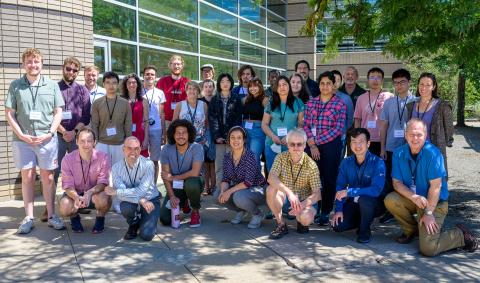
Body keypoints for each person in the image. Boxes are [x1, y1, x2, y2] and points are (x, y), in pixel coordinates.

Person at [384, 119, 478, 256]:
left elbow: (436, 187)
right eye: (411, 134)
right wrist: (413, 197)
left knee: (429, 249)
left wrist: (428, 213)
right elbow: (396, 183)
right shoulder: (398, 153)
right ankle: (412, 231)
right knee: (390, 199)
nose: (415, 138)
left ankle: (460, 235)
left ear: (425, 135)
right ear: (405, 135)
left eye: (419, 135)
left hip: (434, 203)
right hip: (415, 199)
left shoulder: (433, 154)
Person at [6, 48, 65, 233]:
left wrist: (50, 132)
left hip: (46, 139)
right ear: (24, 64)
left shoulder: (51, 85)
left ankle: (52, 215)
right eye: (29, 62)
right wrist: (22, 135)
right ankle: (29, 217)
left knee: (48, 178)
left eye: (36, 61)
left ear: (42, 63)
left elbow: (58, 111)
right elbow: (9, 113)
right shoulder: (15, 86)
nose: (33, 65)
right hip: (23, 140)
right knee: (28, 177)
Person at [304, 71, 346, 225]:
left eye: (329, 83)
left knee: (329, 178)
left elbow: (338, 129)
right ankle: (314, 208)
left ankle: (326, 210)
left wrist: (316, 142)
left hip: (331, 145)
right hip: (312, 145)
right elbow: (306, 124)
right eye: (322, 83)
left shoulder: (339, 104)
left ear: (333, 85)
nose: (325, 86)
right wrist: (312, 144)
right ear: (319, 85)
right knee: (313, 178)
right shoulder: (311, 103)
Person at [331, 128, 386, 243]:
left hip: (374, 204)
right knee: (338, 226)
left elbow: (376, 190)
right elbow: (340, 187)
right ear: (350, 144)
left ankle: (364, 230)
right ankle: (362, 220)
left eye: (361, 141)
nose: (357, 145)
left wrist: (350, 192)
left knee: (364, 200)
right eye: (354, 142)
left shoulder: (378, 162)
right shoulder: (346, 162)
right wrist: (339, 210)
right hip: (354, 203)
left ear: (368, 144)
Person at [266, 129, 321, 239]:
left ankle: (301, 221)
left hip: (304, 202)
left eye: (299, 144)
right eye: (292, 144)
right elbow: (271, 178)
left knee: (305, 219)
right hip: (287, 199)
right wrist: (289, 193)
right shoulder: (280, 157)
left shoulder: (311, 165)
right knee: (270, 189)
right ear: (287, 144)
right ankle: (281, 224)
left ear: (305, 145)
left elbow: (317, 194)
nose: (296, 147)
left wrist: (301, 205)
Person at [379, 69, 416, 223]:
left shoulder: (416, 101)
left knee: (409, 179)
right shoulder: (388, 102)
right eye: (396, 82)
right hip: (391, 147)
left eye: (402, 82)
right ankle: (390, 210)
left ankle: (409, 208)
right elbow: (384, 126)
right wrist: (382, 148)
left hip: (410, 148)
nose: (399, 85)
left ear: (409, 82)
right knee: (391, 178)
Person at [105, 136, 160, 241]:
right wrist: (140, 200)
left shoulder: (148, 164)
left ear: (140, 149)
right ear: (123, 149)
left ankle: (148, 220)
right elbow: (122, 192)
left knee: (147, 235)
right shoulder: (116, 168)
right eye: (129, 148)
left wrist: (116, 192)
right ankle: (134, 223)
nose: (133, 152)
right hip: (135, 201)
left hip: (150, 200)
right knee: (125, 206)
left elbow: (141, 191)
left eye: (136, 148)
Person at [59, 128, 111, 233]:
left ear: (94, 143)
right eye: (82, 141)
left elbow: (103, 183)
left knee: (104, 198)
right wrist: (76, 197)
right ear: (77, 141)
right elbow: (68, 186)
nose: (86, 144)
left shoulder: (103, 157)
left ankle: (100, 218)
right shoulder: (67, 159)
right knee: (64, 206)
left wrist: (90, 193)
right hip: (75, 194)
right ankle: (74, 217)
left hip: (94, 193)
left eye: (89, 141)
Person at [215, 126, 267, 228]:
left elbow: (248, 182)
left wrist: (228, 192)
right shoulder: (227, 156)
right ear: (229, 140)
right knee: (217, 195)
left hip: (258, 190)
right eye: (232, 137)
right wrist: (222, 192)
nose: (235, 140)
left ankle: (258, 214)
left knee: (238, 196)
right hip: (240, 190)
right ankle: (241, 210)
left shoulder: (249, 156)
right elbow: (226, 179)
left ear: (244, 140)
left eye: (239, 138)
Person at [159, 120, 205, 227]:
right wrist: (172, 196)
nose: (181, 136)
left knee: (191, 183)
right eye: (178, 133)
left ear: (189, 134)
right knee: (165, 219)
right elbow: (166, 176)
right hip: (176, 187)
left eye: (184, 132)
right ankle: (183, 202)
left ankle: (195, 211)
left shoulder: (197, 148)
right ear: (173, 135)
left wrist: (173, 177)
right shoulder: (166, 149)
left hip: (193, 183)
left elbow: (195, 172)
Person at [406, 73, 453, 174]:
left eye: (428, 85)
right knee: (415, 183)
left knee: (435, 181)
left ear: (434, 87)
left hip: (433, 151)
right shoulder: (410, 106)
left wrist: (447, 142)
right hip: (414, 150)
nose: (424, 88)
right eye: (421, 84)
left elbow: (449, 129)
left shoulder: (442, 106)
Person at [55, 57, 91, 188]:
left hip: (77, 138)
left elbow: (86, 116)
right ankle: (50, 206)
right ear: (63, 68)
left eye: (75, 70)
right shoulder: (54, 88)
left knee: (78, 170)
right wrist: (64, 132)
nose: (71, 72)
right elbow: (49, 115)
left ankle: (78, 201)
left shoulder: (83, 90)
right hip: (58, 137)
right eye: (68, 69)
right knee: (54, 171)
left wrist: (73, 132)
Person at [262, 75, 304, 172]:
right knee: (273, 175)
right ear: (276, 88)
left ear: (289, 86)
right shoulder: (270, 103)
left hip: (292, 145)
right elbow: (264, 124)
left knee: (291, 175)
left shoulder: (298, 102)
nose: (282, 87)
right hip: (272, 143)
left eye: (284, 84)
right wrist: (273, 136)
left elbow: (301, 125)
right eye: (279, 85)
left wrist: (290, 136)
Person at [209, 73, 243, 190]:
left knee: (233, 165)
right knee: (219, 166)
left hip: (232, 139)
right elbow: (212, 119)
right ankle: (220, 190)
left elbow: (238, 119)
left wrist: (232, 137)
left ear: (231, 83)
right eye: (222, 81)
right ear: (219, 84)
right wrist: (217, 136)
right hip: (219, 139)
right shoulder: (214, 99)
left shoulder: (236, 98)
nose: (225, 83)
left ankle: (232, 190)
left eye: (227, 81)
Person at [90, 71, 132, 166]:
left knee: (119, 172)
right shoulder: (97, 103)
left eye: (114, 83)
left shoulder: (125, 103)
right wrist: (95, 141)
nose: (111, 86)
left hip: (120, 143)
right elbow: (95, 123)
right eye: (108, 82)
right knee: (102, 172)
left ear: (118, 84)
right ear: (104, 84)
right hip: (101, 143)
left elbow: (128, 124)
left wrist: (128, 141)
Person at [354, 67, 394, 156]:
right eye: (372, 77)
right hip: (365, 140)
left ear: (382, 80)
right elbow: (357, 120)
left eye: (378, 77)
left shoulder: (389, 97)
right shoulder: (361, 98)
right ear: (367, 80)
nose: (375, 80)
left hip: (383, 140)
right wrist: (357, 138)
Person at [142, 65, 166, 185]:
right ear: (143, 76)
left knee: (155, 160)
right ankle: (142, 186)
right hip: (142, 129)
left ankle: (154, 186)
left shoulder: (160, 93)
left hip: (156, 129)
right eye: (147, 74)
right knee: (141, 159)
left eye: (152, 74)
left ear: (155, 77)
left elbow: (162, 114)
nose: (149, 76)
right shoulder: (138, 91)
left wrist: (164, 133)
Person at [156, 55, 190, 131]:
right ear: (170, 65)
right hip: (167, 120)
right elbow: (157, 102)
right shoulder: (162, 81)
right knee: (168, 142)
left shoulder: (187, 82)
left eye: (178, 64)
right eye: (174, 64)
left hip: (183, 119)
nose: (176, 66)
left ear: (182, 66)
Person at [339, 66, 366, 156]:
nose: (350, 76)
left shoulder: (363, 93)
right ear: (343, 76)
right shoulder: (337, 92)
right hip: (340, 131)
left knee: (355, 156)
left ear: (357, 77)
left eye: (352, 74)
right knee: (339, 157)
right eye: (348, 74)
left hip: (357, 130)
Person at [242, 77, 269, 168]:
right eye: (250, 86)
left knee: (254, 157)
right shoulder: (245, 99)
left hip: (258, 130)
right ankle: (250, 180)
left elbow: (268, 117)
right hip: (245, 130)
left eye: (255, 86)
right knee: (245, 158)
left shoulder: (265, 99)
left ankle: (256, 181)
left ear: (260, 87)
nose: (252, 88)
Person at [121, 73, 149, 157]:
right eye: (128, 83)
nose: (131, 85)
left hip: (140, 133)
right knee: (127, 158)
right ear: (125, 85)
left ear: (137, 84)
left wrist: (146, 139)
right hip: (125, 134)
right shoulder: (121, 100)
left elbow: (146, 121)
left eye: (134, 82)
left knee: (141, 159)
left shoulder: (144, 101)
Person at [331, 69, 354, 157]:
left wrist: (344, 129)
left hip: (340, 136)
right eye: (333, 80)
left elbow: (350, 118)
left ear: (341, 82)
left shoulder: (346, 98)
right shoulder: (321, 97)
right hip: (323, 136)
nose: (335, 83)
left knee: (339, 160)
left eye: (338, 80)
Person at [199, 79, 216, 195]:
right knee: (205, 162)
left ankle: (214, 186)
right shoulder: (200, 101)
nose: (208, 89)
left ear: (213, 88)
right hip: (202, 132)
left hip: (213, 132)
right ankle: (206, 187)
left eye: (210, 86)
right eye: (206, 86)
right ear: (203, 88)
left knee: (213, 161)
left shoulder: (216, 100)